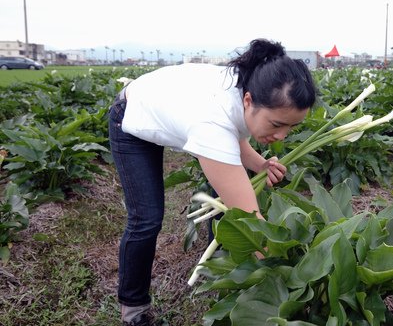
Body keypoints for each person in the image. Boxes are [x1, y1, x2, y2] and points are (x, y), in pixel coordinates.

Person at [108, 38, 317, 326]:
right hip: (132, 115)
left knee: (227, 201)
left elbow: (237, 128)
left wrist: (260, 164)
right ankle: (133, 311)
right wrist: (287, 278)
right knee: (147, 218)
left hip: (172, 107)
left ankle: (218, 271)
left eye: (292, 126)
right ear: (248, 101)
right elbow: (249, 218)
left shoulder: (250, 87)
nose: (282, 136)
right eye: (276, 125)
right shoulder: (212, 123)